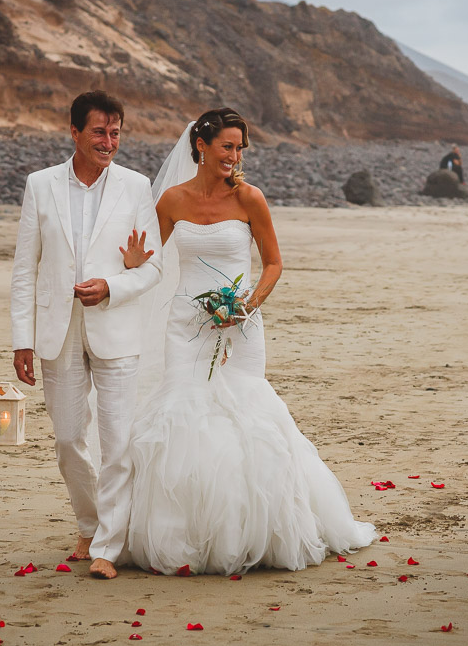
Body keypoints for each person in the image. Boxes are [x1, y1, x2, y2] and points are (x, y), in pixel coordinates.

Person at [119, 108, 376, 576]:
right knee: (182, 411)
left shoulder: (250, 199)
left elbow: (274, 263)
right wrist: (136, 261)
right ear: (201, 146)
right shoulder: (171, 200)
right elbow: (152, 263)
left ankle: (247, 531)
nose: (234, 157)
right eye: (227, 147)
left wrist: (247, 306)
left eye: (240, 149)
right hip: (184, 325)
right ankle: (182, 534)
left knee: (246, 412)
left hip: (239, 325)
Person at [9, 91, 163, 580]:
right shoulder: (40, 184)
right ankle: (89, 522)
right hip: (57, 330)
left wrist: (113, 287)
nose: (109, 142)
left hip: (115, 327)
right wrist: (22, 339)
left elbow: (153, 267)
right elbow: (23, 268)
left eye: (116, 133)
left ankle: (108, 547)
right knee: (70, 439)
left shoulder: (137, 188)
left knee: (116, 442)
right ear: (74, 132)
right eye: (99, 132)